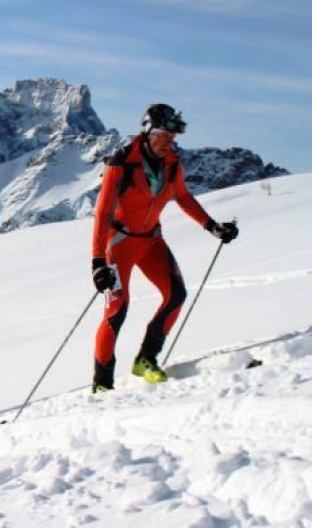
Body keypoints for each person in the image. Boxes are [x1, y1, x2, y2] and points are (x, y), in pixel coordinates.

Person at [90, 103, 239, 393]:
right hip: (119, 243)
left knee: (177, 295)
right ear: (148, 132)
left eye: (172, 137)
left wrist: (212, 226)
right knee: (117, 309)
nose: (168, 143)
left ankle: (146, 359)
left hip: (151, 241)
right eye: (163, 136)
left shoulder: (171, 163)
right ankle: (102, 384)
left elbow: (182, 197)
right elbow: (103, 212)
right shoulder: (121, 161)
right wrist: (97, 262)